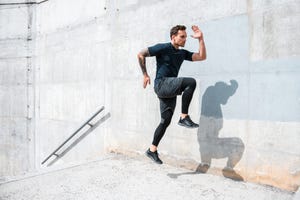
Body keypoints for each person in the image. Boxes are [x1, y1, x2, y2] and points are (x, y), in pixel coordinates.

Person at [137, 25, 207, 164]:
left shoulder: (182, 53)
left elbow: (201, 57)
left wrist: (201, 39)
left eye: (186, 37)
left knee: (165, 121)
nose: (185, 39)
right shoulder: (163, 48)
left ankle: (152, 150)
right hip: (162, 84)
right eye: (182, 37)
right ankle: (184, 116)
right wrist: (145, 74)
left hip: (169, 89)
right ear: (173, 37)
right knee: (190, 82)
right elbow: (141, 54)